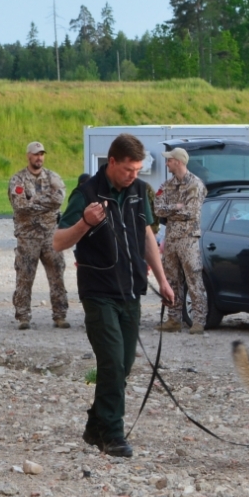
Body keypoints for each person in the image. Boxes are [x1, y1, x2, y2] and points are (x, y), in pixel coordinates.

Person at [53, 133, 174, 457]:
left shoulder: (138, 192)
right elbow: (58, 241)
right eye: (129, 169)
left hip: (131, 291)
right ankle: (113, 434)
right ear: (113, 161)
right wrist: (85, 223)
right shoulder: (87, 194)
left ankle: (95, 426)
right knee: (110, 362)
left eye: (138, 169)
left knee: (124, 363)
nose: (134, 175)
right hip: (99, 293)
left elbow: (147, 234)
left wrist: (163, 280)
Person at [9, 140, 69, 330]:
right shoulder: (18, 179)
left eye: (42, 154)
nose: (39, 157)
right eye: (35, 154)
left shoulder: (52, 176)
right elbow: (20, 205)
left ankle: (60, 315)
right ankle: (23, 316)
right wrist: (45, 202)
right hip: (28, 237)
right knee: (25, 277)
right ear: (28, 156)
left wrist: (33, 199)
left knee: (57, 275)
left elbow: (58, 199)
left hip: (50, 235)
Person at [153, 146, 207, 334]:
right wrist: (176, 207)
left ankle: (198, 321)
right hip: (172, 238)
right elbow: (157, 209)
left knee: (193, 279)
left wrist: (171, 211)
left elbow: (192, 212)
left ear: (178, 161)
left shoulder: (195, 184)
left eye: (169, 160)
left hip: (189, 239)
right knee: (171, 279)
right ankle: (173, 319)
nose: (167, 163)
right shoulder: (167, 185)